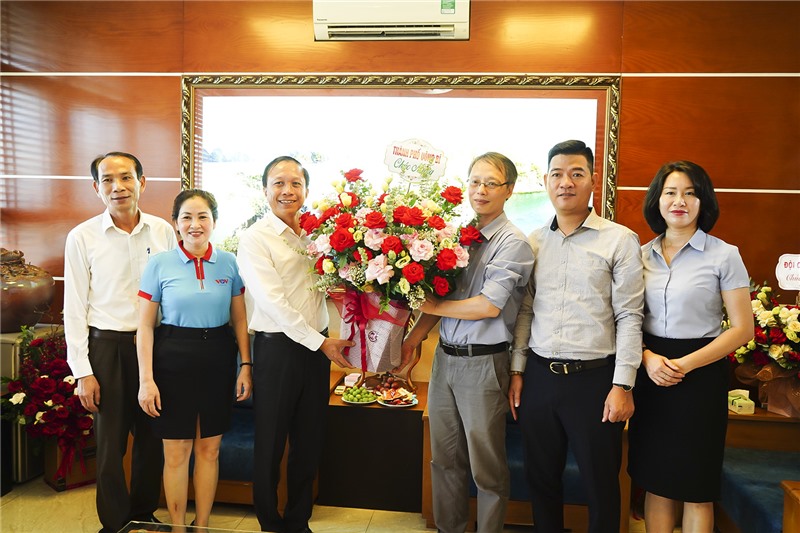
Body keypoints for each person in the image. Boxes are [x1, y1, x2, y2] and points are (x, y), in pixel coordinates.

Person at [508, 140, 644, 533]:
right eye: (557, 174)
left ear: (592, 181)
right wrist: (517, 371)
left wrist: (623, 385)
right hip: (539, 377)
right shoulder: (534, 241)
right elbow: (526, 310)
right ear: (546, 181)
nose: (565, 182)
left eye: (576, 174)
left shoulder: (619, 239)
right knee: (541, 479)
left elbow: (629, 316)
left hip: (595, 381)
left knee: (600, 484)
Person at [400, 152, 534, 533]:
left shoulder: (514, 243)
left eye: (491, 183)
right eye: (475, 181)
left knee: (486, 468)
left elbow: (489, 306)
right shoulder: (458, 236)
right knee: (444, 459)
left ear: (509, 189)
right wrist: (413, 339)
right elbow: (442, 298)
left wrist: (433, 305)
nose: (481, 190)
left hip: (484, 364)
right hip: (445, 361)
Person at [627, 161, 753, 533]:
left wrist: (685, 364)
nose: (679, 201)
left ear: (703, 201)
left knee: (697, 486)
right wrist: (648, 358)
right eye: (670, 192)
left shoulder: (724, 254)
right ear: (657, 200)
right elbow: (627, 319)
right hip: (651, 373)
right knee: (657, 481)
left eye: (690, 193)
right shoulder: (639, 255)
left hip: (701, 378)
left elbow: (742, 329)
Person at [236, 156, 354, 533]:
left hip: (316, 350)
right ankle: (270, 523)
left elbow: (325, 288)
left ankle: (299, 521)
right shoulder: (255, 239)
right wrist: (321, 342)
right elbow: (274, 303)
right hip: (278, 349)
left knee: (309, 439)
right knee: (271, 442)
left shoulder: (316, 235)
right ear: (265, 190)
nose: (287, 191)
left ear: (306, 189)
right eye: (278, 183)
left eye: (295, 183)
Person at [64, 152, 177, 533]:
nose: (118, 187)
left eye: (126, 178)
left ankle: (144, 514)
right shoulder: (81, 237)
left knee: (151, 438)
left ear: (142, 182)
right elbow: (74, 308)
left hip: (155, 348)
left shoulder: (162, 231)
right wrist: (83, 372)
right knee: (111, 446)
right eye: (108, 180)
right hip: (107, 348)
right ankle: (114, 524)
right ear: (96, 188)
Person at [136, 189, 253, 528]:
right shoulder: (159, 264)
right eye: (186, 217)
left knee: (209, 450)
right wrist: (147, 380)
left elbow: (240, 320)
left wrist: (245, 366)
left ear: (214, 221)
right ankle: (177, 527)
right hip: (172, 359)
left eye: (203, 216)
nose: (195, 224)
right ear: (175, 223)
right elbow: (144, 326)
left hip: (218, 358)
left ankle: (201, 525)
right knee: (176, 452)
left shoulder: (229, 263)